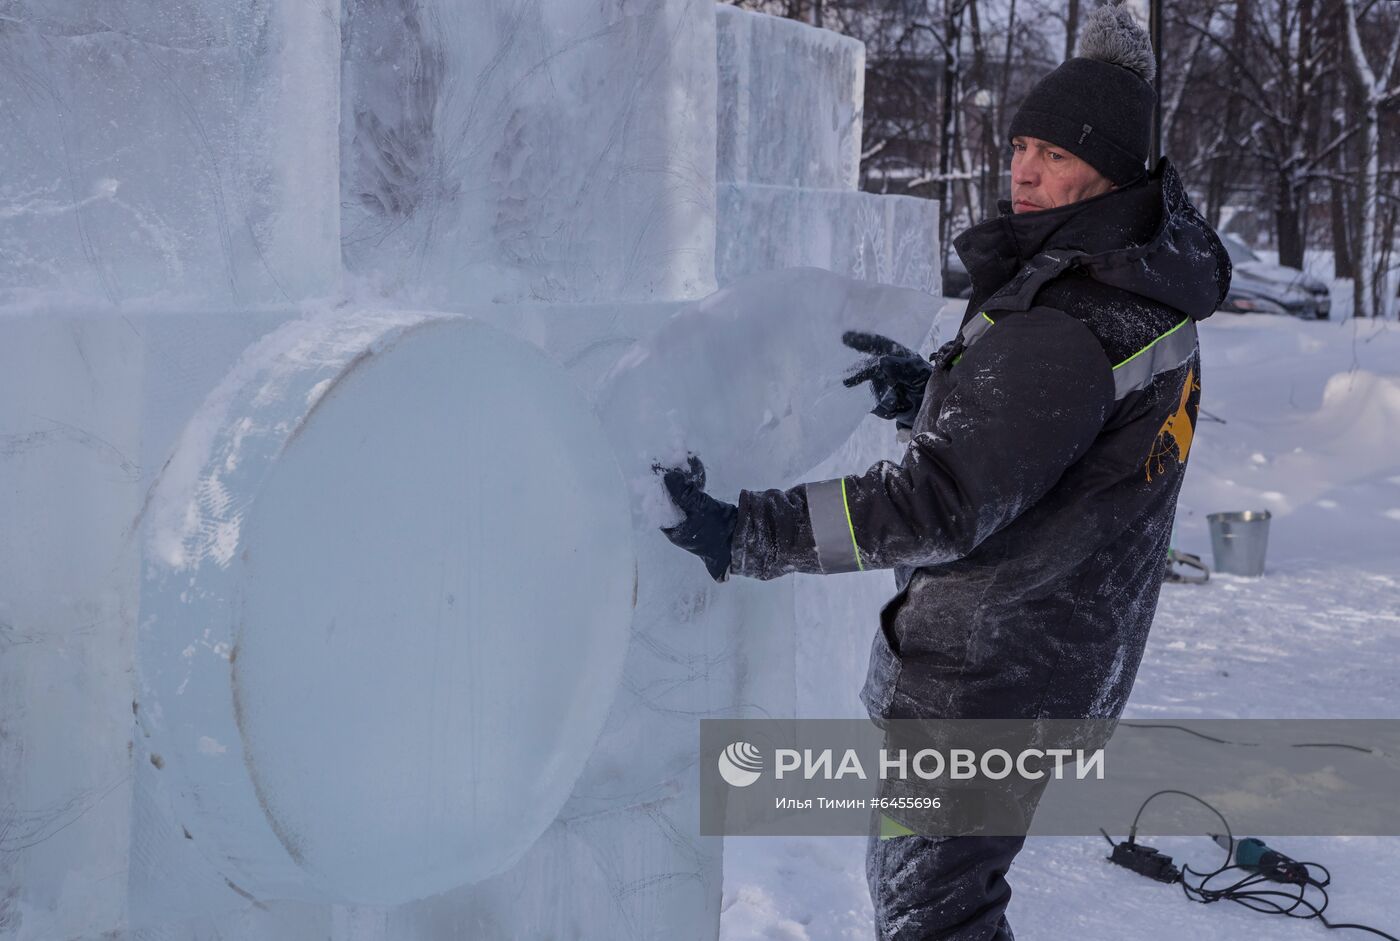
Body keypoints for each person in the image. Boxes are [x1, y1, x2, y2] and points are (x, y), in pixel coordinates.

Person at [655, 3, 1231, 938]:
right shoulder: (1137, 287)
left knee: (934, 912)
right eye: (1022, 145)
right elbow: (1064, 439)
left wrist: (747, 531)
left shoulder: (1073, 317)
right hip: (1048, 658)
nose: (1026, 171)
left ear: (1113, 171)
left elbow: (943, 500)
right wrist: (936, 393)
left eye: (1056, 153)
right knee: (936, 900)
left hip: (989, 680)